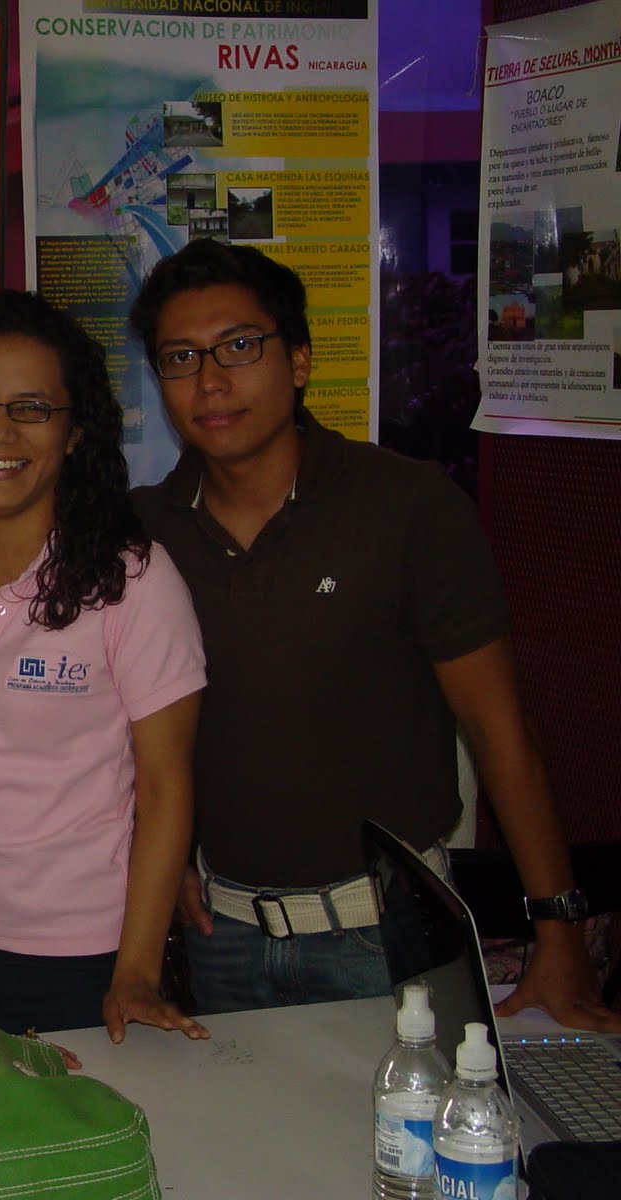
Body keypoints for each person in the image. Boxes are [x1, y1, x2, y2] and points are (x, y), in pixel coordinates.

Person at [128, 238, 620, 1032]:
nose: (210, 380)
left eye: (239, 346)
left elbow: (498, 730)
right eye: (180, 357)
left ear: (299, 361)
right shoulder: (145, 531)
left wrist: (557, 929)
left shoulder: (408, 508)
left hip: (386, 936)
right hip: (223, 938)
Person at [0, 289, 210, 1042]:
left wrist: (136, 970)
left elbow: (166, 787)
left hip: (80, 955)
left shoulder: (133, 580)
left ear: (75, 433)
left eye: (32, 408)